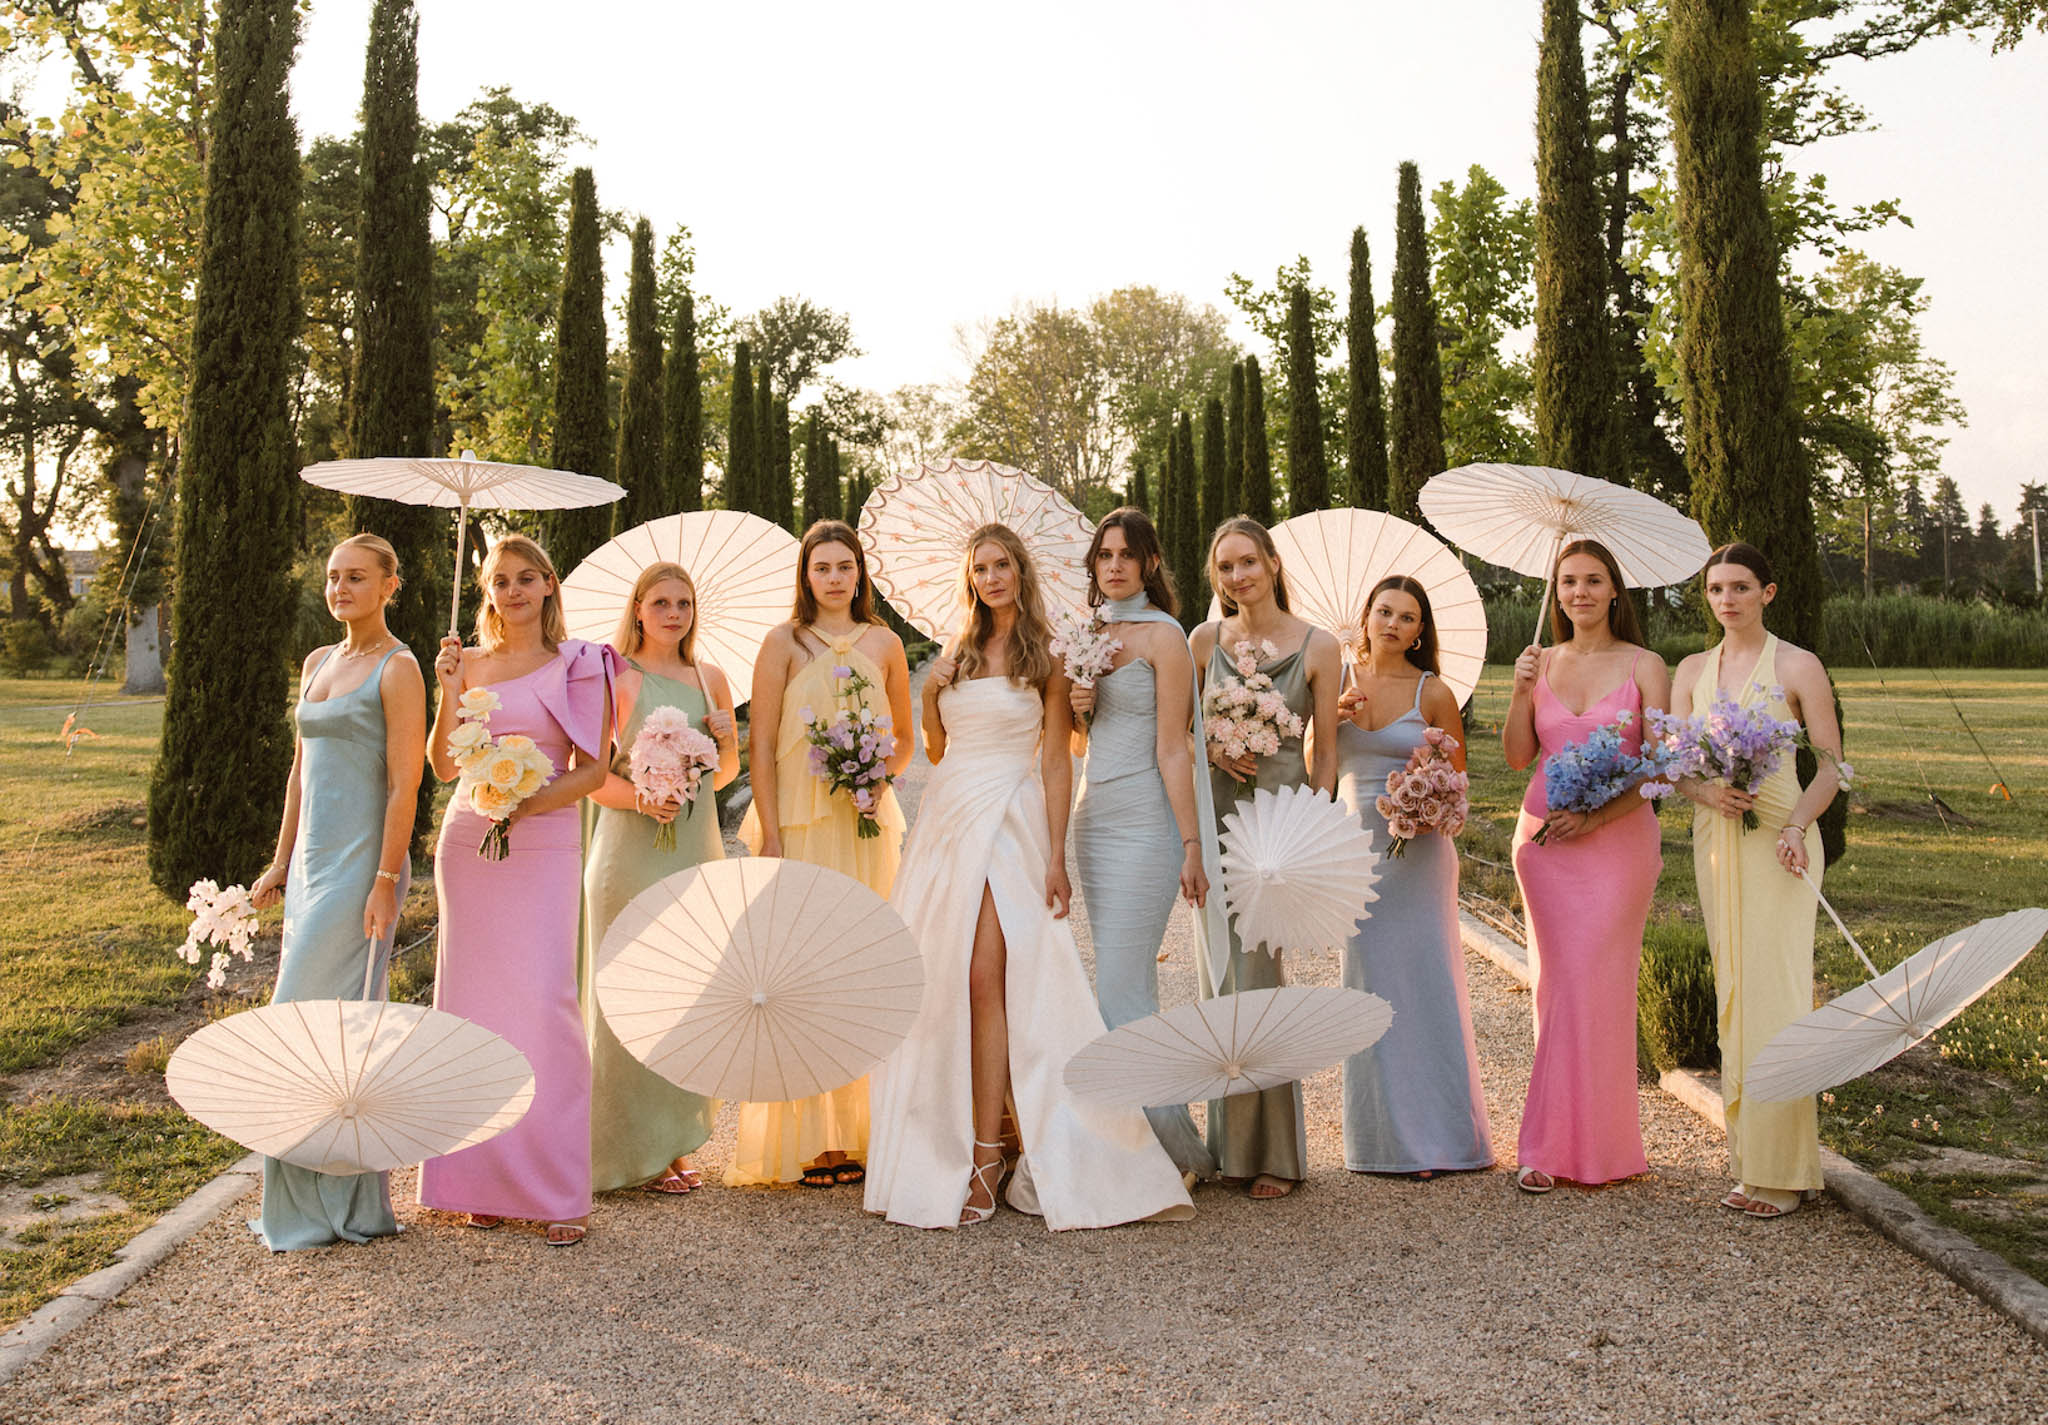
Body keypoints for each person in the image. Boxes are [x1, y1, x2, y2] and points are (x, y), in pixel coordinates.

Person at [865, 523, 1194, 1229]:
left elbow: (1056, 758)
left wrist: (1054, 854)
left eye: (1003, 564)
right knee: (945, 984)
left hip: (1010, 820)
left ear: (1021, 570)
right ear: (970, 578)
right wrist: (932, 692)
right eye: (980, 567)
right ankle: (975, 1138)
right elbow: (937, 748)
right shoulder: (952, 653)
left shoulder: (1050, 651)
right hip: (949, 821)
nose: (992, 577)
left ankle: (989, 1153)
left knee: (991, 976)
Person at [419, 534, 616, 1246]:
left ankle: (559, 1189)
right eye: (500, 580)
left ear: (549, 586)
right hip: (470, 841)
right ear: (487, 592)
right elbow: (443, 766)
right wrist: (447, 692)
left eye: (526, 578)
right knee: (474, 1007)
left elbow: (592, 772)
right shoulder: (464, 663)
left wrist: (525, 804)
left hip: (545, 839)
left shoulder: (579, 665)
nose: (513, 591)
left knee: (545, 1001)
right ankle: (479, 1178)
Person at [247, 534, 425, 1250]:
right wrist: (280, 861)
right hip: (313, 868)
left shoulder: (399, 666)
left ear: (390, 584)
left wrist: (386, 879)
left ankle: (344, 1201)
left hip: (362, 869)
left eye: (356, 577)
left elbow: (404, 781)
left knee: (326, 1024)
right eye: (332, 577)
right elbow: (299, 772)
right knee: (303, 1028)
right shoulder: (318, 662)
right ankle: (295, 1203)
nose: (340, 588)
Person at [732, 520, 912, 1188]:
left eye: (844, 566)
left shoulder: (887, 643)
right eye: (821, 567)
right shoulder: (783, 642)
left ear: (860, 574)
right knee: (801, 969)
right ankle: (811, 1139)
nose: (833, 577)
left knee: (861, 964)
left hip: (863, 824)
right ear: (805, 576)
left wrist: (877, 779)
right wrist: (772, 831)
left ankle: (864, 1128)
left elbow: (904, 740)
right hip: (802, 824)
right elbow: (760, 744)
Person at [1669, 542, 1842, 1220]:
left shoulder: (1799, 665)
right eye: (1716, 589)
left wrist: (1798, 826)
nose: (1727, 600)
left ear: (1767, 592)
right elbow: (1677, 766)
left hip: (1781, 841)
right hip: (1718, 837)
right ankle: (1748, 1162)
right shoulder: (1690, 669)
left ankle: (1785, 1168)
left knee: (1777, 992)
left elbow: (1830, 767)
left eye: (1740, 587)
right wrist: (1708, 795)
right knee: (1735, 990)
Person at [1503, 538, 1669, 1195]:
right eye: (1569, 581)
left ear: (1614, 591)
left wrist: (1598, 816)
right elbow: (1520, 756)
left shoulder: (1646, 664)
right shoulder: (1538, 661)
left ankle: (1596, 1146)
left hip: (1618, 846)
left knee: (1594, 983)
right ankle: (1550, 1145)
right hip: (1544, 846)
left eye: (1593, 580)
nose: (1580, 592)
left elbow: (1659, 764)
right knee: (1556, 986)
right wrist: (1519, 692)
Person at [1189, 516, 1341, 1200]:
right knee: (1218, 974)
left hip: (1275, 829)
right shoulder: (1202, 641)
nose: (1238, 576)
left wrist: (1314, 831)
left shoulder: (1319, 645)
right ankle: (1229, 1145)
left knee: (1258, 976)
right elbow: (1180, 734)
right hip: (1215, 816)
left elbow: (1327, 756)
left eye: (1248, 561)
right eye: (1225, 567)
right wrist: (1215, 748)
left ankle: (1274, 1151)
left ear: (1273, 563)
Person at [1067, 509, 1220, 1179]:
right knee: (1124, 981)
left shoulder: (1167, 638)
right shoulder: (1086, 633)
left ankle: (1168, 1150)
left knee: (1120, 990)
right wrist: (1078, 708)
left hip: (1147, 824)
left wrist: (1191, 842)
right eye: (1105, 554)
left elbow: (1173, 748)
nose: (1115, 565)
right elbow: (1078, 744)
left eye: (1128, 554)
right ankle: (1140, 1142)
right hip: (1094, 819)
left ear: (1151, 563)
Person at [580, 561, 739, 1197]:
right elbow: (589, 772)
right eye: (662, 602)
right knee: (627, 992)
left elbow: (723, 779)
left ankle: (672, 1141)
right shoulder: (614, 676)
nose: (675, 613)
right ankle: (626, 1148)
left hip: (693, 852)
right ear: (638, 608)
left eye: (685, 602)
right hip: (629, 849)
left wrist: (728, 743)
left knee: (687, 991)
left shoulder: (712, 677)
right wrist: (643, 798)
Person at [1332, 575, 1493, 1179]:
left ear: (1421, 630)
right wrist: (1327, 717)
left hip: (1419, 854)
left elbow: (1459, 783)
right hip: (1356, 854)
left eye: (1407, 617)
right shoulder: (1337, 682)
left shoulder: (1434, 692)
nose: (1393, 624)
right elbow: (1318, 772)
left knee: (1425, 984)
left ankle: (1438, 1141)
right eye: (1384, 612)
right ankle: (1381, 1141)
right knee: (1368, 987)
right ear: (1366, 616)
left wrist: (1425, 788)